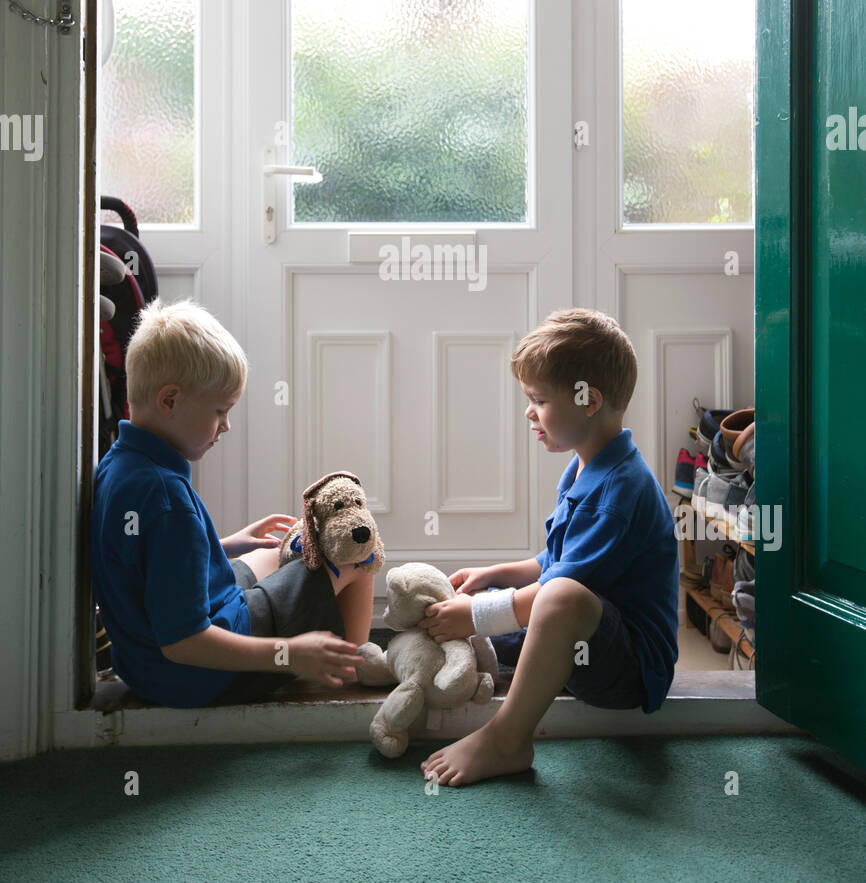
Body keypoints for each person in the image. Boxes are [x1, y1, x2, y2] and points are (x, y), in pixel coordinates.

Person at [418, 307, 679, 787]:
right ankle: (414, 673)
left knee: (549, 601)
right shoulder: (585, 465)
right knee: (463, 633)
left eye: (538, 399)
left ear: (587, 399)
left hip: (628, 668)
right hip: (584, 642)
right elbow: (556, 560)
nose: (528, 412)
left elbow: (564, 588)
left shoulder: (621, 491)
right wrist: (499, 573)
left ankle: (507, 739)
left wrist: (480, 611)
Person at [89, 297, 367, 708]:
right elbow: (184, 642)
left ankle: (325, 649)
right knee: (358, 552)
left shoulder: (118, 465)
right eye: (220, 410)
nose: (226, 425)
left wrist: (222, 545)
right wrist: (288, 653)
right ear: (169, 401)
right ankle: (352, 672)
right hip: (201, 674)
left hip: (144, 668)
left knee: (275, 551)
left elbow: (143, 566)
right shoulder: (168, 500)